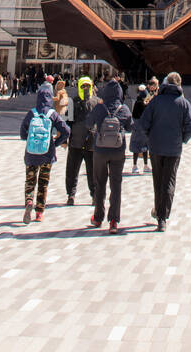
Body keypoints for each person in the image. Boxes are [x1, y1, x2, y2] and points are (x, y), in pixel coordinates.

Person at [139, 72, 191, 231]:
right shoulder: (183, 103)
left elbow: (143, 123)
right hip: (173, 148)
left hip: (156, 148)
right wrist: (181, 139)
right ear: (179, 84)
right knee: (169, 182)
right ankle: (162, 217)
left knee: (158, 181)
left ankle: (159, 213)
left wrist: (151, 137)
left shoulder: (156, 101)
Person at [86, 77, 133, 233]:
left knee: (99, 184)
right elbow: (131, 127)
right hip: (118, 151)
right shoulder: (124, 109)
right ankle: (113, 220)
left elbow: (88, 123)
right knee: (116, 185)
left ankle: (98, 217)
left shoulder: (100, 107)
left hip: (100, 150)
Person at [19, 83, 69, 223]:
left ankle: (29, 201)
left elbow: (23, 132)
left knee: (30, 181)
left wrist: (28, 138)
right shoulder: (52, 114)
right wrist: (56, 142)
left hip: (31, 153)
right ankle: (39, 212)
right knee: (43, 182)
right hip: (47, 153)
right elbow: (66, 131)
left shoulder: (32, 112)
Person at [65, 75, 98, 205]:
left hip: (85, 142)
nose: (85, 88)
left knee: (90, 170)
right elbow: (67, 122)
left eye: (87, 86)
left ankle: (93, 194)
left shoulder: (95, 102)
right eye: (83, 86)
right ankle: (72, 195)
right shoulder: (75, 102)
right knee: (74, 170)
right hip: (81, 142)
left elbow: (67, 122)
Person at [130, 84, 152, 174]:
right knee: (144, 148)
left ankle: (136, 166)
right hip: (142, 128)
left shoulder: (137, 102)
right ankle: (144, 166)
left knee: (138, 148)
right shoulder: (142, 104)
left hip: (137, 129)